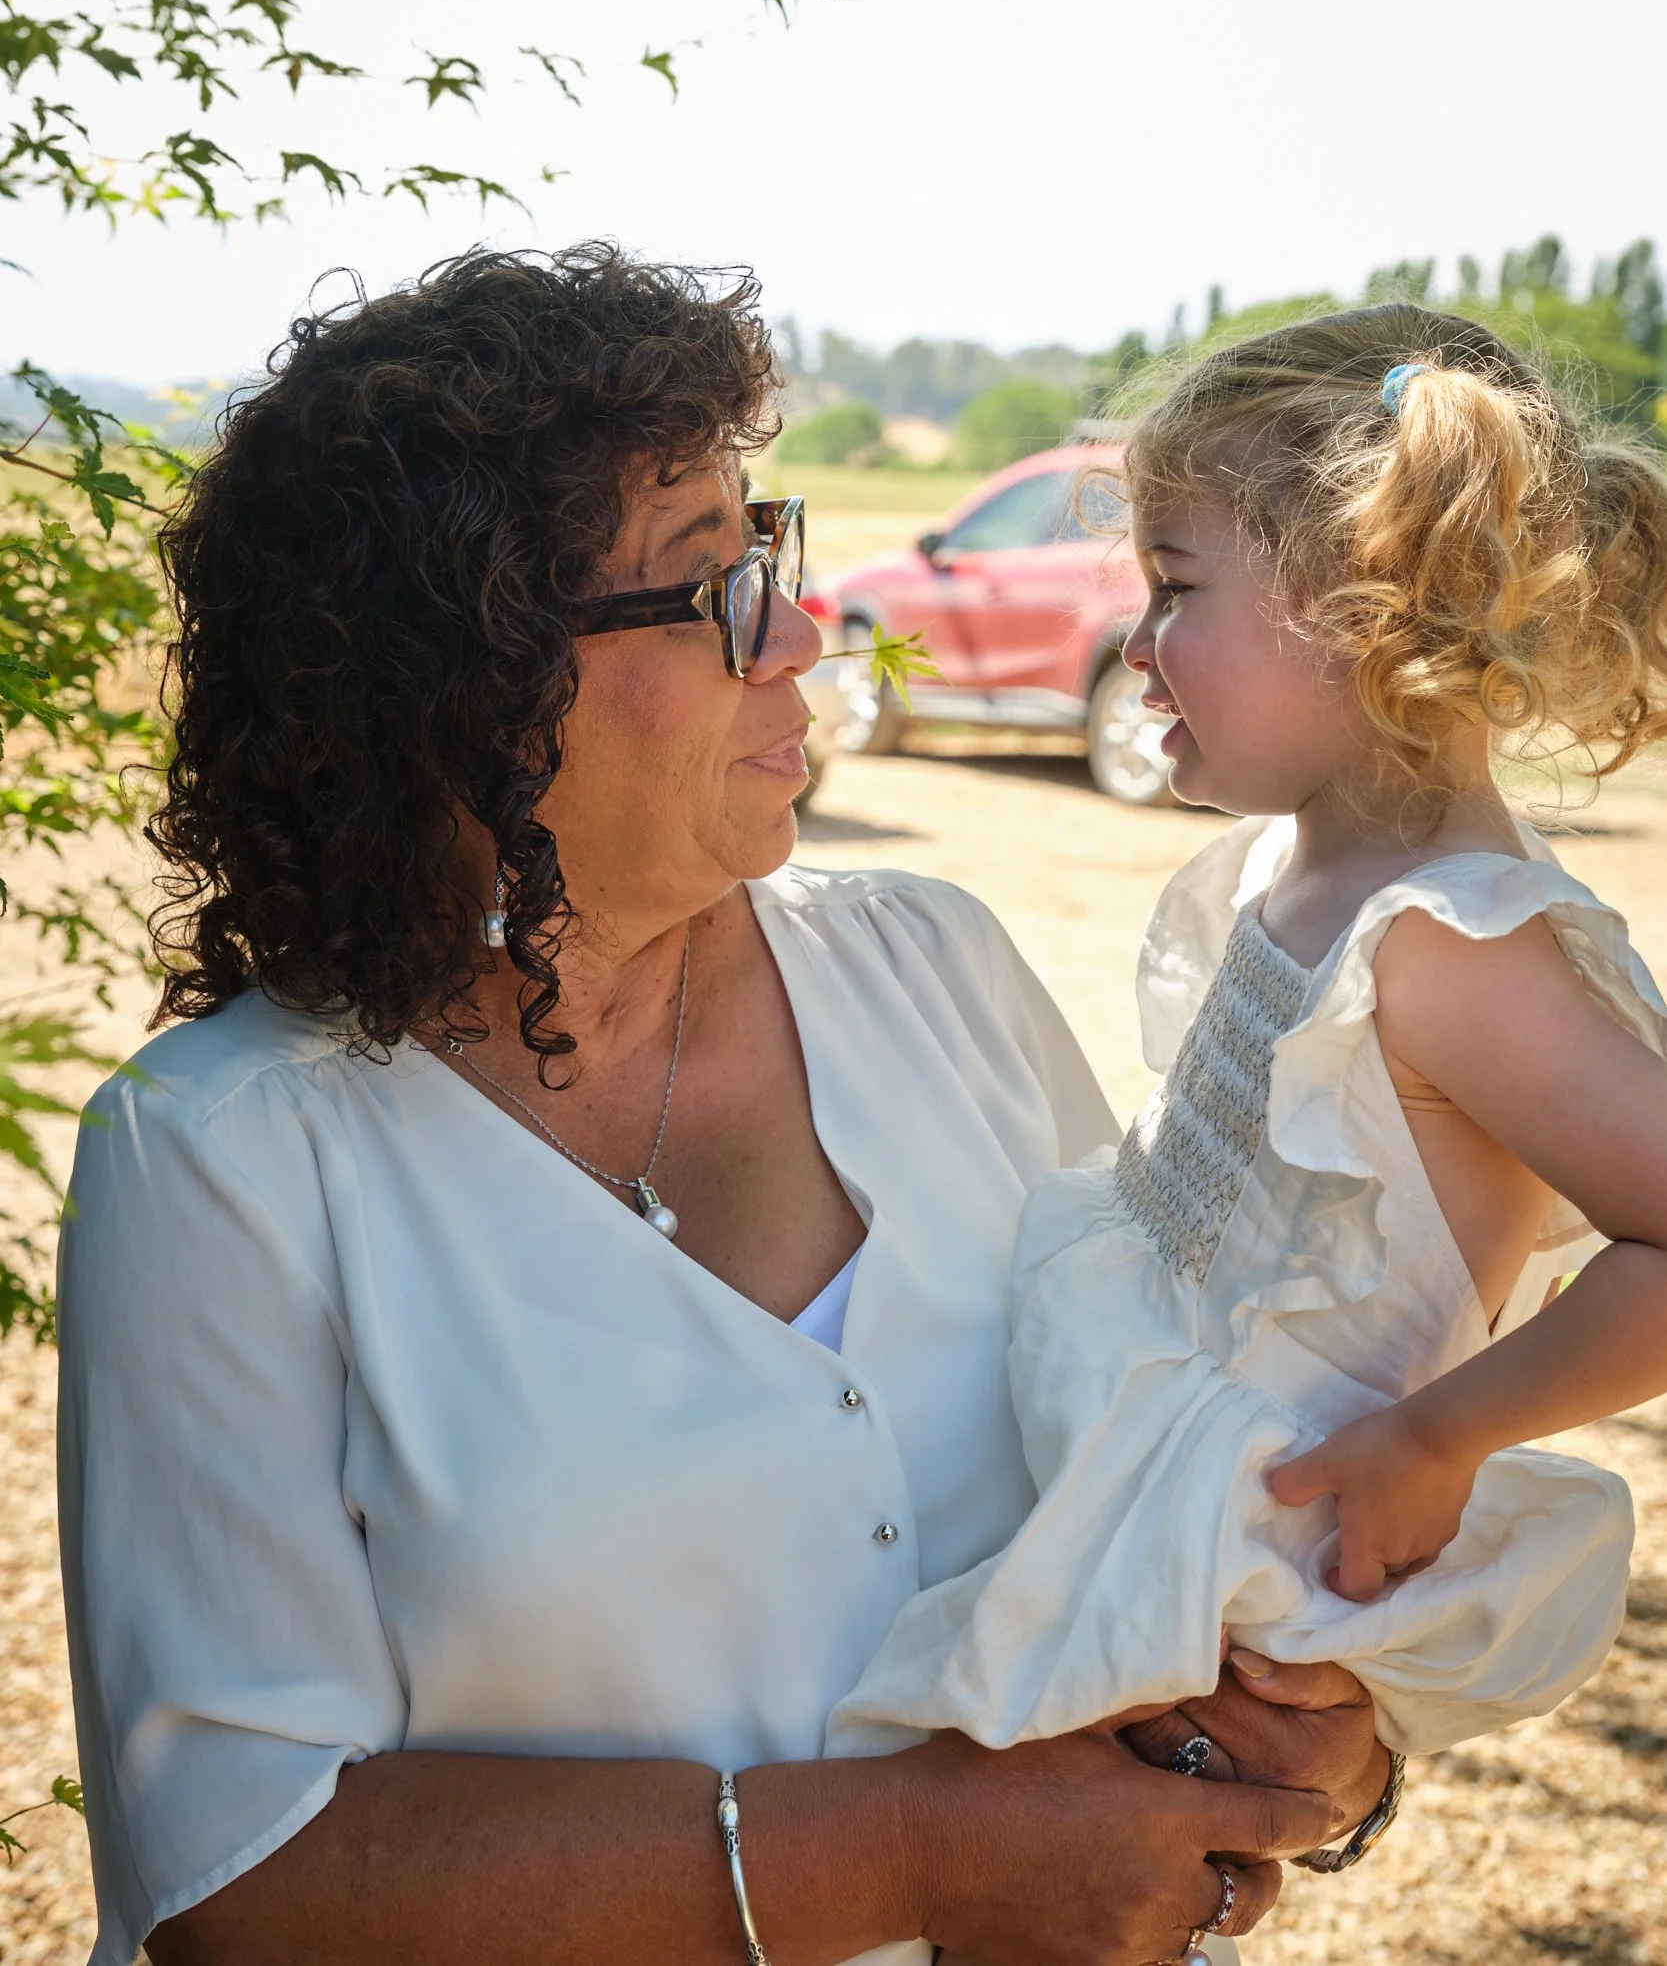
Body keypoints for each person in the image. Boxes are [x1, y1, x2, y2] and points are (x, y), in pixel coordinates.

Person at [56, 251, 1488, 1966]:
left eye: (769, 554)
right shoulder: (222, 1160)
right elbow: (238, 1880)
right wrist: (909, 1859)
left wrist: (1303, 1740)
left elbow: (1184, 1448)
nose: (803, 633)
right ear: (469, 682)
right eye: (709, 586)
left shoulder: (935, 971)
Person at [830, 302, 1667, 1790]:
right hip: (1131, 1453)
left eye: (1173, 588)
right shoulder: (1294, 874)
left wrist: (1437, 1440)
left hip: (1234, 1555)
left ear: (1370, 615)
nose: (1135, 648)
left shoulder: (1449, 947)